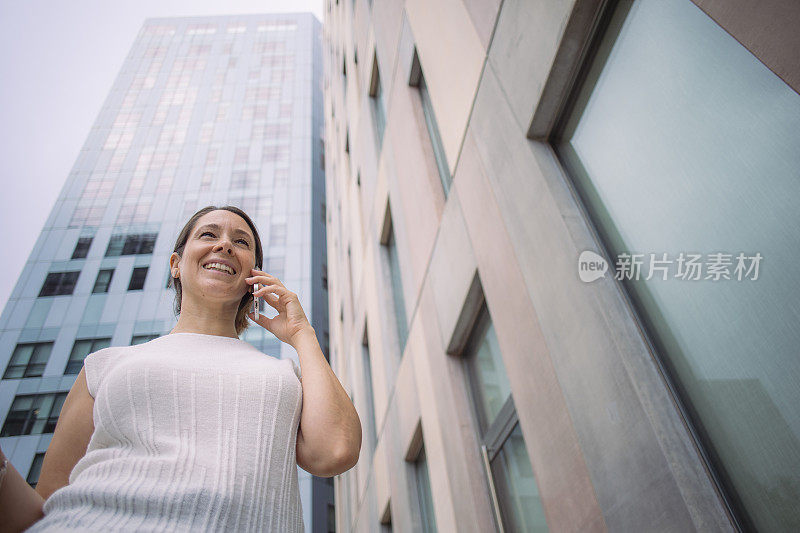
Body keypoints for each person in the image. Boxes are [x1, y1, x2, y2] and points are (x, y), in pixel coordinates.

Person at [0, 205, 361, 532]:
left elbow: (335, 452)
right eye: (208, 234)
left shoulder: (285, 375)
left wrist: (302, 333)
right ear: (176, 263)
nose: (224, 245)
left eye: (241, 241)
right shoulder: (106, 365)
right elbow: (48, 506)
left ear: (254, 276)